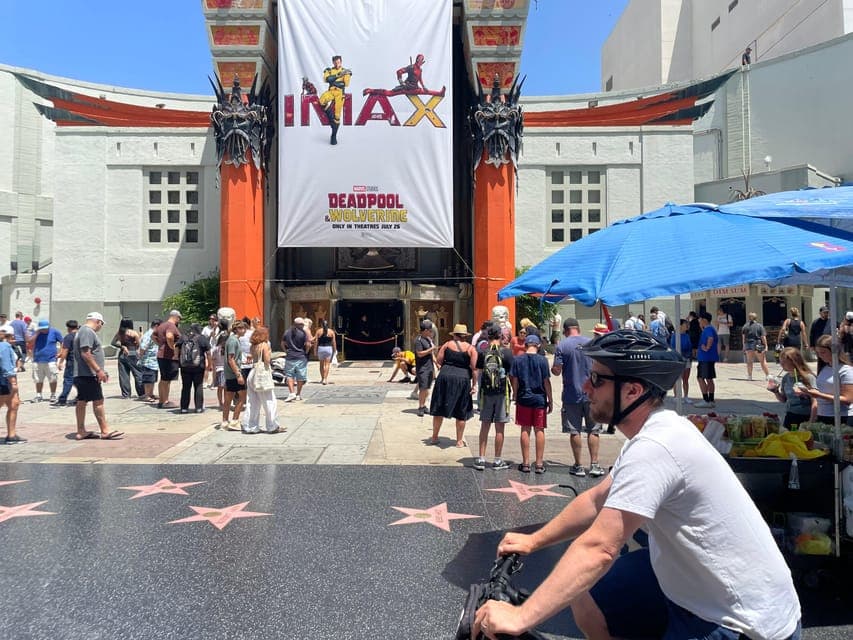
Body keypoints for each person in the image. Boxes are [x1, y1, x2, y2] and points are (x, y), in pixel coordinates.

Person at [472, 330, 801, 640]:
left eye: (597, 379)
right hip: (688, 583)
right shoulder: (650, 433)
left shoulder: (657, 447)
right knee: (585, 596)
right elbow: (598, 499)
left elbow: (600, 548)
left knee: (587, 568)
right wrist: (534, 541)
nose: (586, 386)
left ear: (633, 391)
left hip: (739, 618)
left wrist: (520, 617)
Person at [552, 318, 603, 477]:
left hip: (571, 394)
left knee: (575, 431)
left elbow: (557, 370)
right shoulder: (590, 343)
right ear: (578, 329)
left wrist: (554, 368)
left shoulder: (562, 345)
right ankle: (594, 464)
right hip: (592, 394)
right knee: (593, 431)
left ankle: (578, 465)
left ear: (566, 330)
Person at [72, 312, 123, 440]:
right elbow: (86, 353)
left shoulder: (82, 331)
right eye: (101, 324)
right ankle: (104, 430)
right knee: (98, 401)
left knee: (82, 401)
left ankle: (81, 430)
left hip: (83, 373)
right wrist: (98, 370)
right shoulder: (87, 332)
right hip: (87, 374)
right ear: (98, 321)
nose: (101, 327)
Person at [509, 333, 552, 474]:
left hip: (524, 397)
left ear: (525, 345)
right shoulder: (543, 361)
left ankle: (526, 463)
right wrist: (550, 400)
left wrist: (515, 394)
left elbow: (514, 380)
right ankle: (539, 464)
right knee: (539, 429)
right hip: (539, 398)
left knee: (525, 429)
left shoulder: (518, 360)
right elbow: (546, 381)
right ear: (538, 345)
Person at [473, 322, 513, 470]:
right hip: (502, 393)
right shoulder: (506, 352)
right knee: (500, 427)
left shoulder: (483, 352)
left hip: (486, 392)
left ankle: (481, 458)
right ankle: (497, 459)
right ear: (500, 336)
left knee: (485, 425)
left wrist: (474, 386)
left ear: (487, 336)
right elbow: (511, 373)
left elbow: (477, 370)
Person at [429, 324, 477, 447]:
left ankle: (434, 437)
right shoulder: (471, 348)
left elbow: (439, 361)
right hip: (463, 379)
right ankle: (459, 441)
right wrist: (474, 385)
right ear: (465, 336)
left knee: (439, 406)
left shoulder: (447, 345)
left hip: (444, 377)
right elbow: (474, 368)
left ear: (454, 335)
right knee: (461, 410)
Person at [797, 334, 853, 426]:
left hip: (842, 417)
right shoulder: (825, 368)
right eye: (818, 353)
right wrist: (808, 392)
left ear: (834, 351)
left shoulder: (846, 370)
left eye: (823, 352)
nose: (820, 356)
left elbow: (847, 400)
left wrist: (819, 395)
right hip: (823, 415)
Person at [243, 326, 282, 434]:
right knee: (269, 400)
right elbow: (267, 360)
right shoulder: (264, 345)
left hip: (252, 373)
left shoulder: (253, 346)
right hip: (261, 374)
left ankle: (251, 426)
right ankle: (272, 425)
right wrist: (270, 353)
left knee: (252, 401)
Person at [769, 347, 817, 429]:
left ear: (794, 362)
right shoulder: (786, 378)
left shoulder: (808, 377)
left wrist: (811, 421)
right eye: (780, 361)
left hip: (805, 416)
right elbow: (783, 400)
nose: (781, 364)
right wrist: (775, 391)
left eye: (784, 362)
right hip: (791, 415)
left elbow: (815, 401)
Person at [28, 318, 63, 403]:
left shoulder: (55, 332)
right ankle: (39, 395)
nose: (44, 330)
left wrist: (61, 352)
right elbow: (30, 342)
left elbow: (62, 342)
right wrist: (37, 333)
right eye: (42, 328)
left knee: (53, 378)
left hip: (51, 359)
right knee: (38, 379)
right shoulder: (36, 333)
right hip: (38, 359)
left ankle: (53, 394)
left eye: (45, 328)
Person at [319, 55, 351, 145]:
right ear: (333, 62)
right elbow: (326, 79)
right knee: (322, 100)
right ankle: (330, 117)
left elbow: (345, 84)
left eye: (339, 62)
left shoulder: (346, 72)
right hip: (331, 91)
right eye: (336, 62)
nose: (337, 64)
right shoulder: (329, 70)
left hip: (340, 93)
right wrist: (337, 76)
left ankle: (333, 135)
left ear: (341, 62)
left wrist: (333, 80)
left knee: (337, 116)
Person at [178, 323, 211, 414]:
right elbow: (208, 352)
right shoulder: (201, 338)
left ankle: (184, 408)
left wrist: (178, 359)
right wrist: (210, 364)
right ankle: (198, 408)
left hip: (185, 366)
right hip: (198, 366)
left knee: (185, 387)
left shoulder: (183, 337)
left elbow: (177, 348)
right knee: (198, 385)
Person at [222, 321, 247, 430]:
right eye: (241, 328)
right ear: (236, 329)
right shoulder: (233, 341)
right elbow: (231, 359)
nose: (244, 330)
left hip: (230, 373)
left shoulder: (233, 340)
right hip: (233, 373)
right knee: (242, 397)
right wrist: (238, 374)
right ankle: (234, 420)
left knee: (228, 398)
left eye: (244, 328)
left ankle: (225, 421)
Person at [154, 309, 182, 409]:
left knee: (163, 379)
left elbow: (153, 335)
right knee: (167, 380)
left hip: (161, 355)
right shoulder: (171, 326)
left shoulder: (161, 325)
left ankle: (161, 400)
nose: (179, 321)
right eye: (179, 319)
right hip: (168, 357)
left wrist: (160, 344)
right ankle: (165, 401)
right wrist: (172, 347)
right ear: (176, 317)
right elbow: (169, 336)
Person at [110, 318, 144, 399]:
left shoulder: (119, 333)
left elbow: (113, 343)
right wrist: (141, 335)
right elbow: (140, 344)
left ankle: (126, 394)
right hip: (133, 354)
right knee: (138, 374)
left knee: (123, 375)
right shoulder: (133, 333)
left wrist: (122, 347)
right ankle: (141, 393)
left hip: (122, 355)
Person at [0, 327, 23, 444]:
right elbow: (6, 365)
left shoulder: (11, 347)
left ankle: (11, 435)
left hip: (7, 379)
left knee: (14, 405)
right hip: (4, 380)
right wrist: (13, 382)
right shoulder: (4, 346)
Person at [694, 312, 720, 408]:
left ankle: (706, 400)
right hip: (709, 357)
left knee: (701, 378)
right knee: (709, 378)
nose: (699, 321)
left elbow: (710, 338)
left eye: (700, 319)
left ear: (704, 320)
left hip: (705, 358)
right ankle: (711, 399)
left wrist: (707, 347)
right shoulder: (710, 328)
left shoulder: (708, 329)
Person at [281, 317, 310, 402]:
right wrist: (306, 352)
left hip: (290, 356)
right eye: (302, 324)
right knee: (300, 376)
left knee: (289, 375)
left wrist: (286, 351)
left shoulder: (287, 332)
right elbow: (308, 344)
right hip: (301, 356)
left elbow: (282, 343)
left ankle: (291, 393)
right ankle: (298, 394)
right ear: (299, 325)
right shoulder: (303, 333)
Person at [414, 320, 437, 417]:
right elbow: (419, 354)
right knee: (423, 388)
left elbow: (431, 354)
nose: (431, 332)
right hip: (422, 367)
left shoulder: (428, 339)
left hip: (429, 367)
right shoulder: (418, 340)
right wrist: (431, 349)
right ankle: (420, 406)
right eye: (430, 330)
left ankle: (424, 405)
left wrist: (436, 363)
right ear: (426, 330)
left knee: (427, 387)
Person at [54, 319, 79, 406]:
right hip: (80, 361)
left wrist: (61, 362)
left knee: (68, 380)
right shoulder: (80, 335)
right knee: (77, 380)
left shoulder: (69, 337)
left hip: (71, 361)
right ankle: (81, 397)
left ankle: (62, 399)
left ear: (68, 328)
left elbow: (66, 350)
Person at [137, 319, 161, 404]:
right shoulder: (148, 334)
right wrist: (140, 357)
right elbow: (143, 347)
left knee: (152, 379)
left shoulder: (154, 334)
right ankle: (147, 395)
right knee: (148, 379)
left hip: (154, 361)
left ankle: (151, 394)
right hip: (148, 361)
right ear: (156, 326)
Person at [670, 318, 694, 404]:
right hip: (678, 359)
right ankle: (676, 396)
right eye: (685, 324)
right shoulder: (674, 335)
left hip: (687, 359)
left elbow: (690, 346)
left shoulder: (687, 335)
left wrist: (689, 355)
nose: (687, 326)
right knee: (677, 378)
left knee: (686, 379)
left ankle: (686, 396)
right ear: (680, 325)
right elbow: (673, 347)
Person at [742, 311, 770, 380]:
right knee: (762, 361)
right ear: (756, 318)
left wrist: (744, 346)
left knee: (749, 361)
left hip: (748, 344)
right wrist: (766, 345)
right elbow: (763, 337)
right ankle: (767, 375)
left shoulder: (745, 326)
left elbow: (743, 337)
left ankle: (749, 376)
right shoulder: (759, 326)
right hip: (757, 344)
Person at [314, 319, 337, 385]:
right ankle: (325, 379)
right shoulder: (331, 332)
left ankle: (322, 378)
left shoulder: (318, 331)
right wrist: (335, 350)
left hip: (320, 348)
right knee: (327, 364)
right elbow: (333, 342)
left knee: (321, 364)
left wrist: (315, 350)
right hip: (328, 348)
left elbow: (316, 341)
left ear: (321, 324)